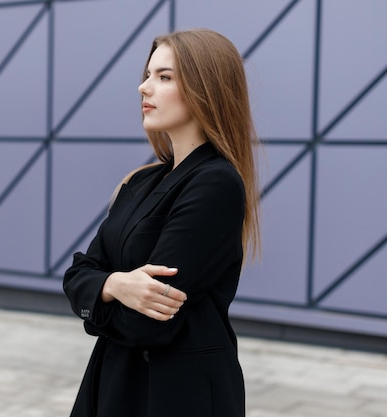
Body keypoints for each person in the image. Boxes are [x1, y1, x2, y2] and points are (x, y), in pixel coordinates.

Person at [63, 28, 261, 417]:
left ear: (207, 88)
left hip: (174, 393)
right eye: (148, 74)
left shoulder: (216, 183)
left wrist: (98, 291)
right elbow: (77, 274)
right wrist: (116, 283)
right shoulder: (139, 181)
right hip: (114, 381)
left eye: (164, 77)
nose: (143, 87)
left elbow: (147, 322)